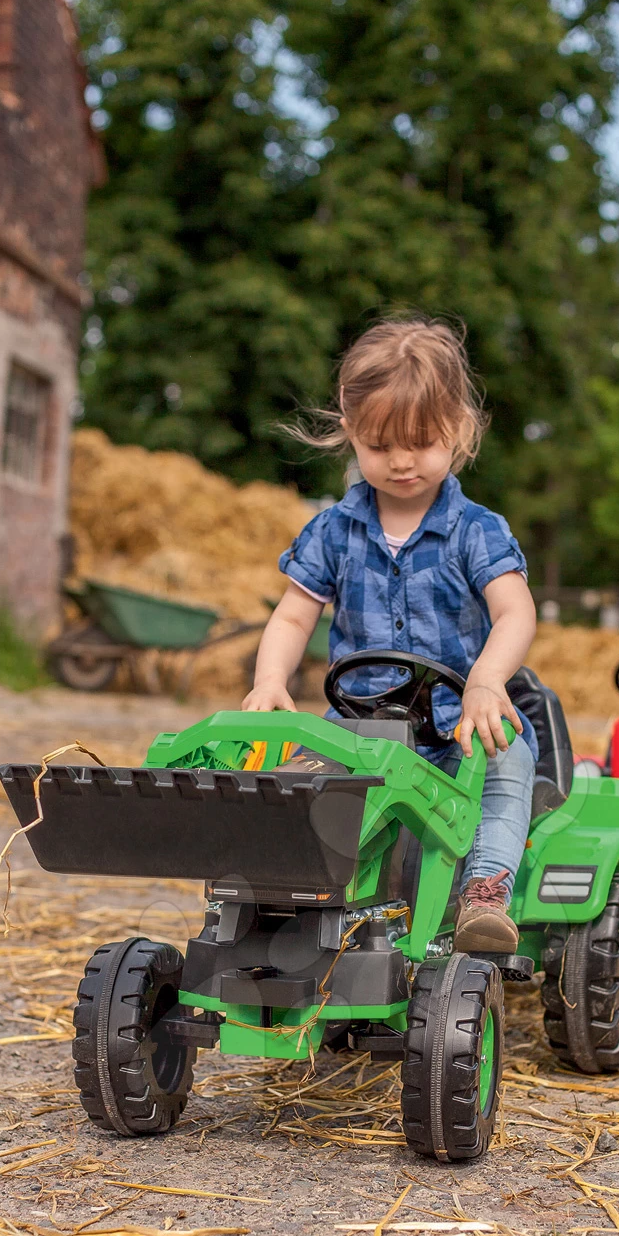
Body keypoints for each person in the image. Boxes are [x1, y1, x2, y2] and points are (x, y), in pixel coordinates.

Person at [242, 316, 538, 953]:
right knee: (296, 785)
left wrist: (488, 680)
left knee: (508, 758)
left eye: (421, 443)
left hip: (462, 722)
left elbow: (516, 612)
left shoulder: (476, 530)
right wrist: (270, 681)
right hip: (359, 727)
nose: (401, 462)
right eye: (380, 446)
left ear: (457, 428)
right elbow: (294, 615)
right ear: (351, 433)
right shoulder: (332, 532)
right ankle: (297, 903)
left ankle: (484, 891)